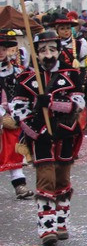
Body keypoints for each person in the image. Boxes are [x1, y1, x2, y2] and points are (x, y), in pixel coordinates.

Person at [9, 29, 84, 246]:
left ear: (59, 51)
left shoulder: (71, 75)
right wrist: (34, 124)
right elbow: (18, 108)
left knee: (62, 178)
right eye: (43, 50)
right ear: (36, 53)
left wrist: (51, 103)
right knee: (46, 178)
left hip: (65, 133)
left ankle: (61, 222)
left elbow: (79, 103)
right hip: (40, 135)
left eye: (52, 49)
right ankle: (46, 227)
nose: (48, 54)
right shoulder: (26, 78)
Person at [0, 33, 32, 200]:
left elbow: (21, 92)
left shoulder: (16, 70)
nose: (1, 52)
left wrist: (15, 113)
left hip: (12, 116)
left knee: (14, 148)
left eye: (4, 49)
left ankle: (19, 184)